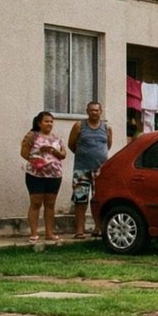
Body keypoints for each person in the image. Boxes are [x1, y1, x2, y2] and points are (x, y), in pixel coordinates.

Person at [20, 111, 67, 243]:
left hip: (54, 176)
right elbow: (24, 152)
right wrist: (36, 160)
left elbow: (63, 154)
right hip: (35, 175)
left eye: (51, 121)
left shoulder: (57, 139)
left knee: (50, 204)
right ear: (39, 123)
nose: (49, 124)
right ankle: (34, 233)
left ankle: (49, 233)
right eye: (46, 121)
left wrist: (54, 151)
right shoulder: (32, 136)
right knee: (36, 203)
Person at [68, 101, 113, 239]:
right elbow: (71, 144)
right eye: (92, 110)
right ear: (87, 111)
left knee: (98, 200)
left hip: (100, 171)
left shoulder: (106, 128)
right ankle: (79, 230)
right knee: (80, 200)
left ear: (101, 112)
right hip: (81, 169)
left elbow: (108, 145)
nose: (94, 112)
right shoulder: (79, 126)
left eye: (97, 110)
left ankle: (98, 228)